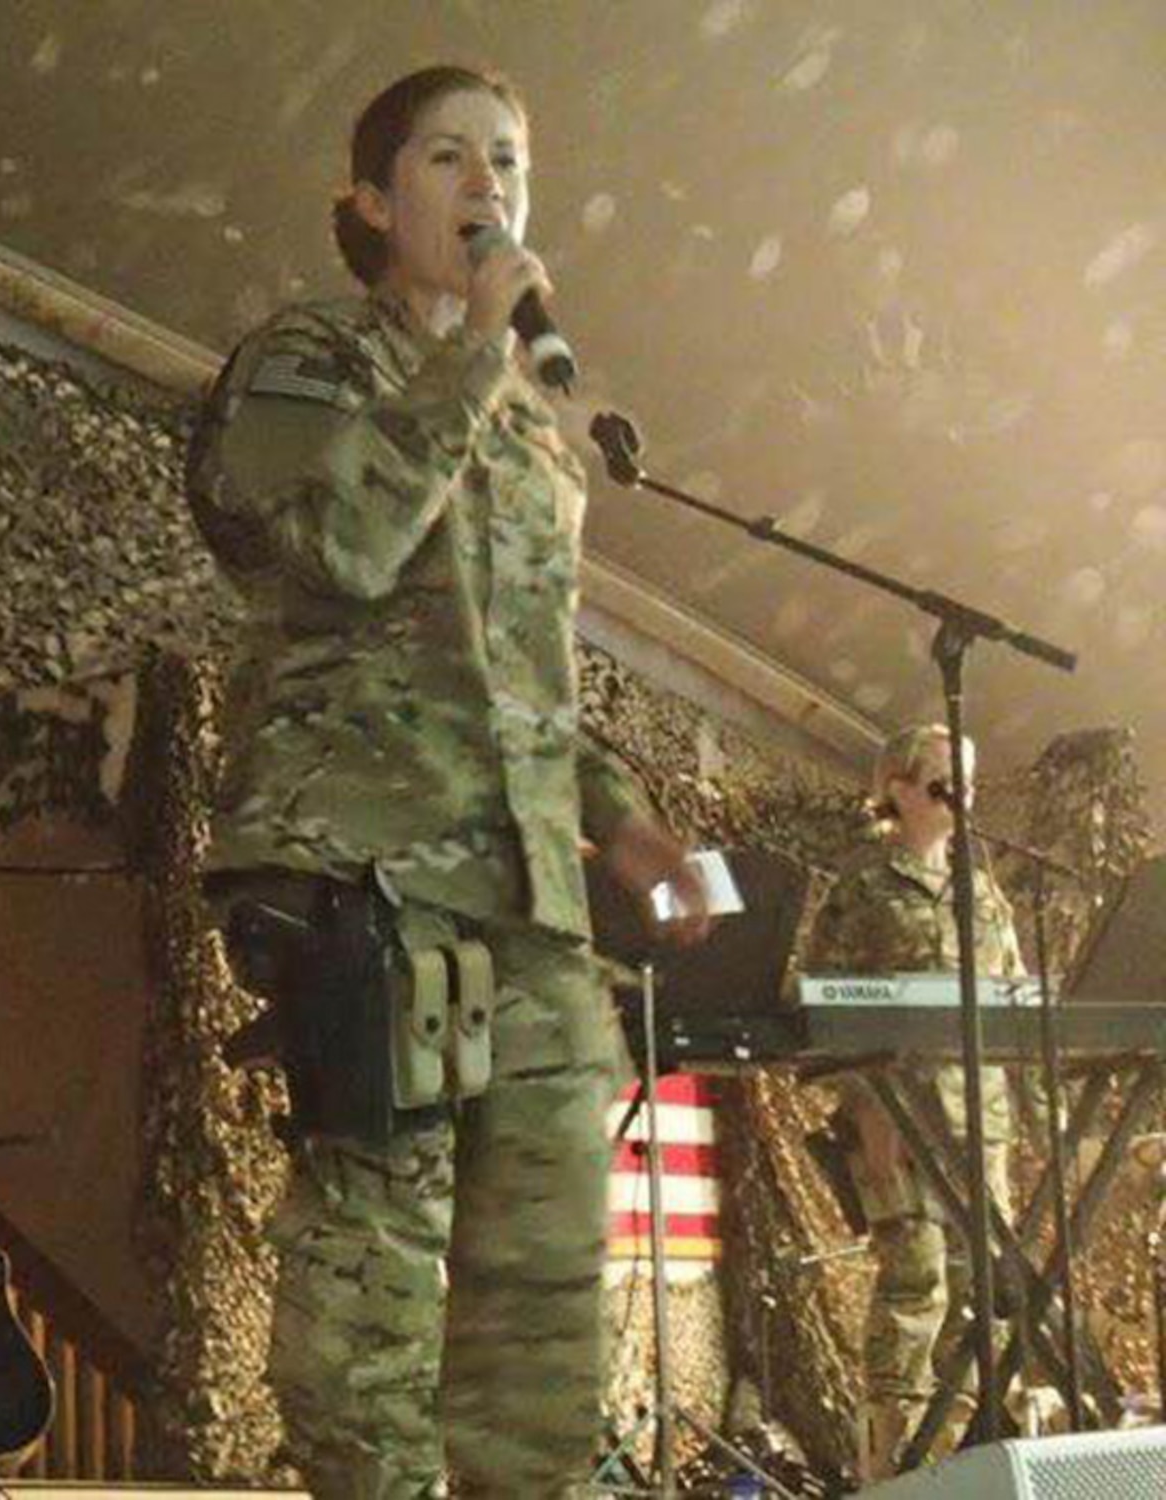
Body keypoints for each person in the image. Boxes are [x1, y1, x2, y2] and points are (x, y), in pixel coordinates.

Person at [185, 64, 710, 1500]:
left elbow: (523, 673)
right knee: (378, 1274)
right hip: (377, 878)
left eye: (510, 163)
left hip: (527, 896)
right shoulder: (310, 358)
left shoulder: (544, 437)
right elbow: (338, 545)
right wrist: (476, 355)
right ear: (371, 200)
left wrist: (623, 818)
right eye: (447, 160)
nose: (489, 188)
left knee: (541, 1283)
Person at [804, 723, 1021, 1478]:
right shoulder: (860, 889)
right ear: (898, 785)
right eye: (941, 776)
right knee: (914, 1285)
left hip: (978, 1123)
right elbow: (819, 1009)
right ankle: (895, 1471)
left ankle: (980, 1462)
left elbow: (1016, 1004)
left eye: (966, 776)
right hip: (894, 1119)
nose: (958, 793)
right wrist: (863, 1109)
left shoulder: (985, 894)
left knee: (986, 1292)